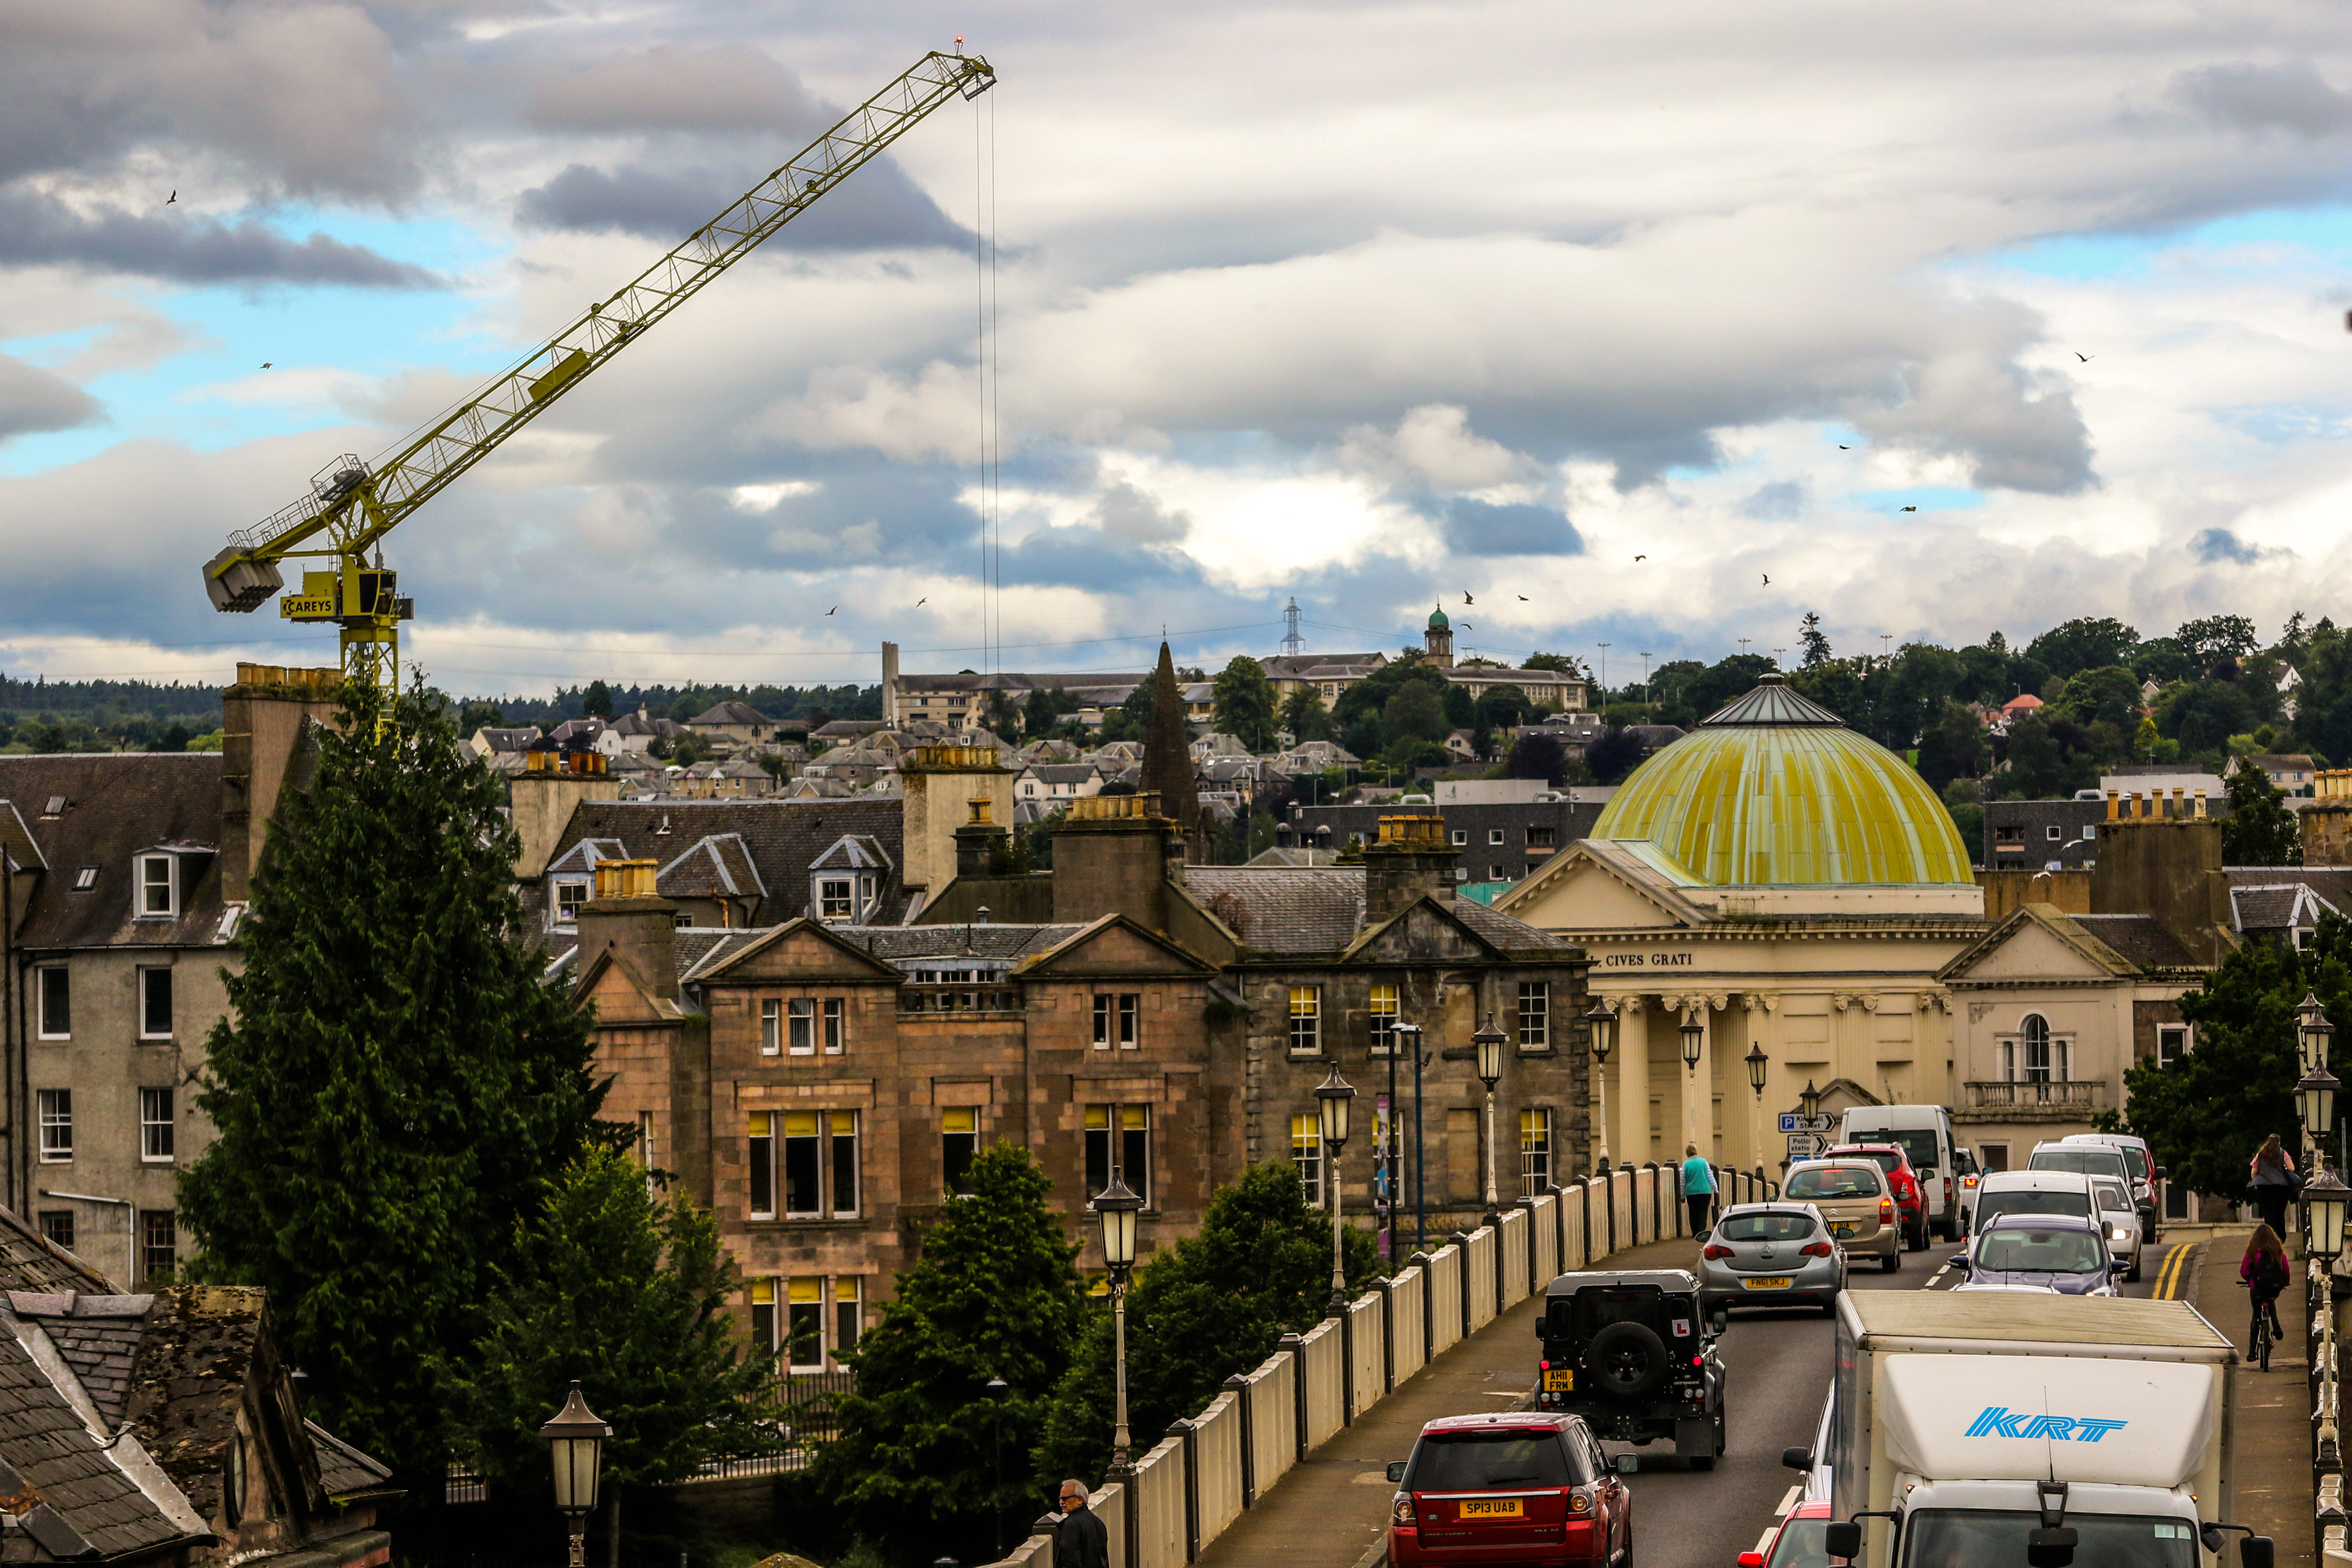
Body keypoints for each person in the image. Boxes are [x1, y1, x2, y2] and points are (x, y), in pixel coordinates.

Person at [2240, 1223, 2290, 1357]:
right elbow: (2285, 1270)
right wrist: (2285, 1283)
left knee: (2256, 1315)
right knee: (2270, 1299)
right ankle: (2276, 1325)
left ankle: (2251, 1352)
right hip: (2274, 1288)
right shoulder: (2278, 1251)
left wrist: (2250, 1281)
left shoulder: (2252, 1251)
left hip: (2256, 1289)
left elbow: (2244, 1271)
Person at [2248, 1134, 2298, 1241]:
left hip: (2264, 1187)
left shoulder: (2260, 1154)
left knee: (2268, 1213)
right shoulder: (2283, 1154)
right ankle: (2281, 1238)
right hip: (2281, 1187)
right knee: (2279, 1213)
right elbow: (2291, 1168)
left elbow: (2253, 1172)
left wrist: (2257, 1181)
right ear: (2279, 1143)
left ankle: (2269, 1238)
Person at [1053, 1478, 1109, 1568]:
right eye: (1060, 1498)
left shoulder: (1071, 1524)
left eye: (1065, 1498)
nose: (1061, 1502)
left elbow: (1070, 1562)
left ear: (1080, 1500)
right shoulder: (1098, 1523)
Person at [1681, 1142, 1718, 1236]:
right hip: (1705, 1192)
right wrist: (1716, 1189)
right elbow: (1710, 1177)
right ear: (1696, 1152)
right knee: (1703, 1212)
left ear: (1687, 1154)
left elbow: (1683, 1182)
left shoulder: (1685, 1165)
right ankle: (1701, 1232)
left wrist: (1682, 1195)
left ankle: (1695, 1233)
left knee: (1693, 1212)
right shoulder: (1704, 1162)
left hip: (1691, 1193)